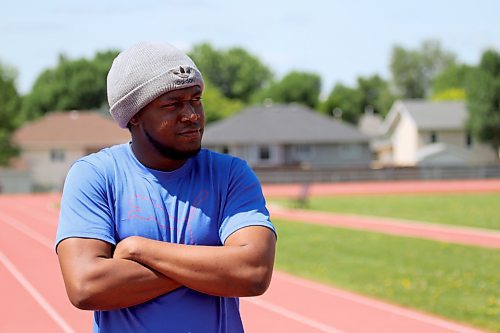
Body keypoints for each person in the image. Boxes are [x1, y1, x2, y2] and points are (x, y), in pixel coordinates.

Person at [55, 42, 277, 333]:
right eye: (172, 104)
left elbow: (253, 273)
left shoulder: (230, 174)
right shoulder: (96, 175)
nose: (191, 115)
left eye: (196, 99)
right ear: (133, 114)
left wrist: (138, 249)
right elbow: (86, 286)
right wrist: (216, 267)